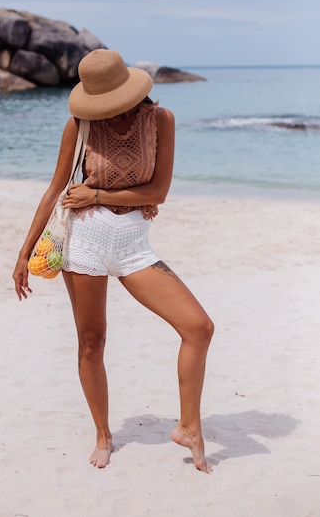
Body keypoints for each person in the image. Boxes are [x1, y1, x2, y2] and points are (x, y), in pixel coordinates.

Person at [12, 49, 214, 473]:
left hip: (135, 246)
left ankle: (190, 427)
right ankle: (103, 434)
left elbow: (157, 192)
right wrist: (24, 251)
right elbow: (55, 190)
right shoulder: (79, 125)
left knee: (198, 327)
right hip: (83, 242)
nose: (110, 112)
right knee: (91, 341)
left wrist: (98, 194)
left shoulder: (161, 120)